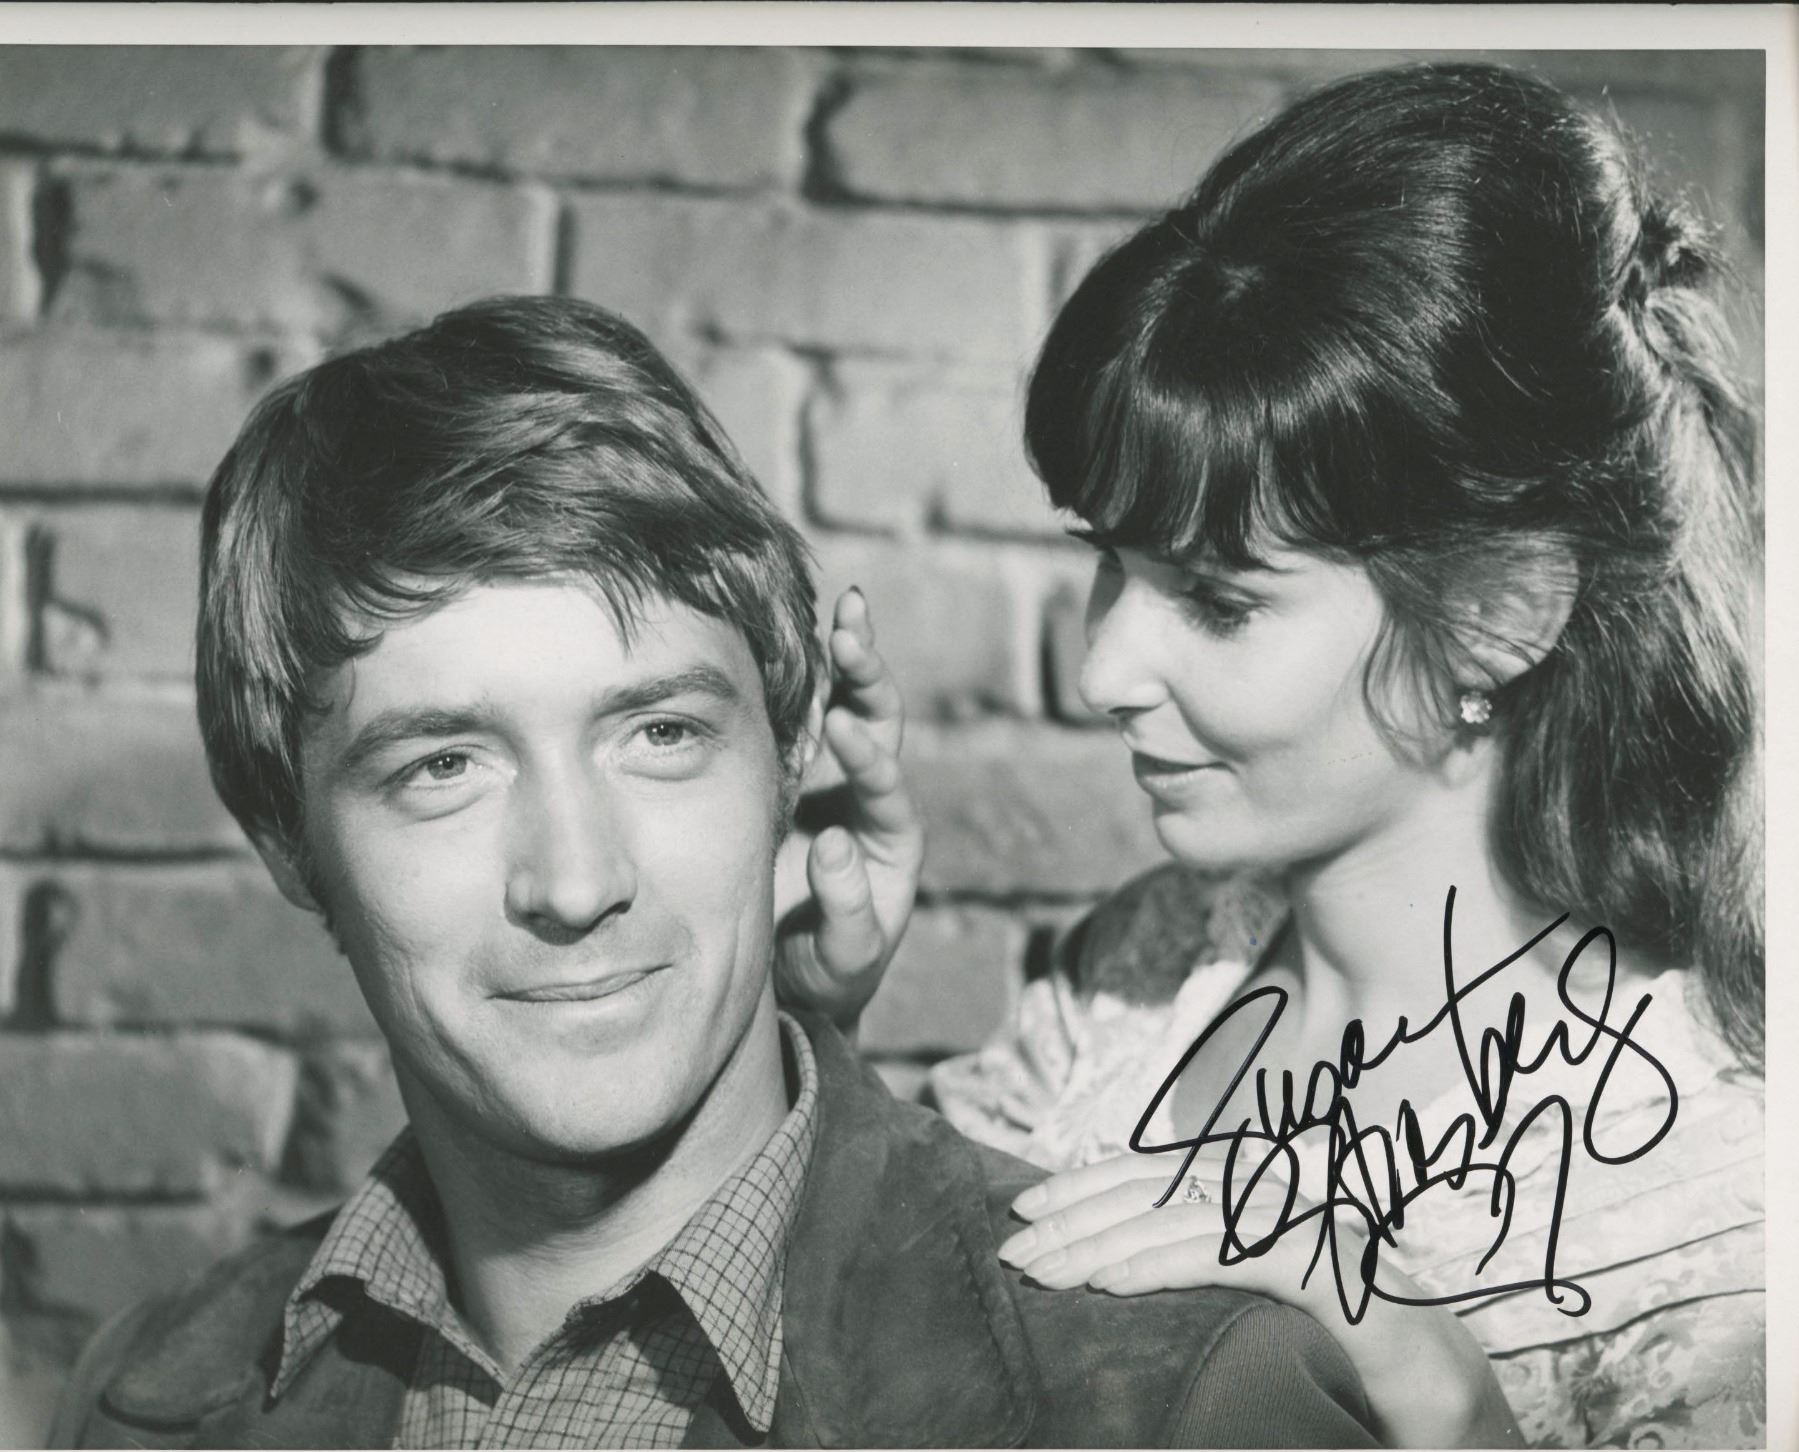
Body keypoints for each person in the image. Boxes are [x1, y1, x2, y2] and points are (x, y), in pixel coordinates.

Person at [47, 295, 1398, 1449]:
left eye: (660, 735)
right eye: (443, 767)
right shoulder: (136, 1400)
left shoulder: (1177, 1397)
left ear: (792, 750)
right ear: (289, 842)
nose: (576, 881)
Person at [788, 62, 1765, 1450]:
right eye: (1112, 564)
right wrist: (802, 1031)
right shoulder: (1143, 977)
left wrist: (1442, 1399)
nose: (1104, 671)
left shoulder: (1722, 1193)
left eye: (1219, 599)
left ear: (1500, 611)